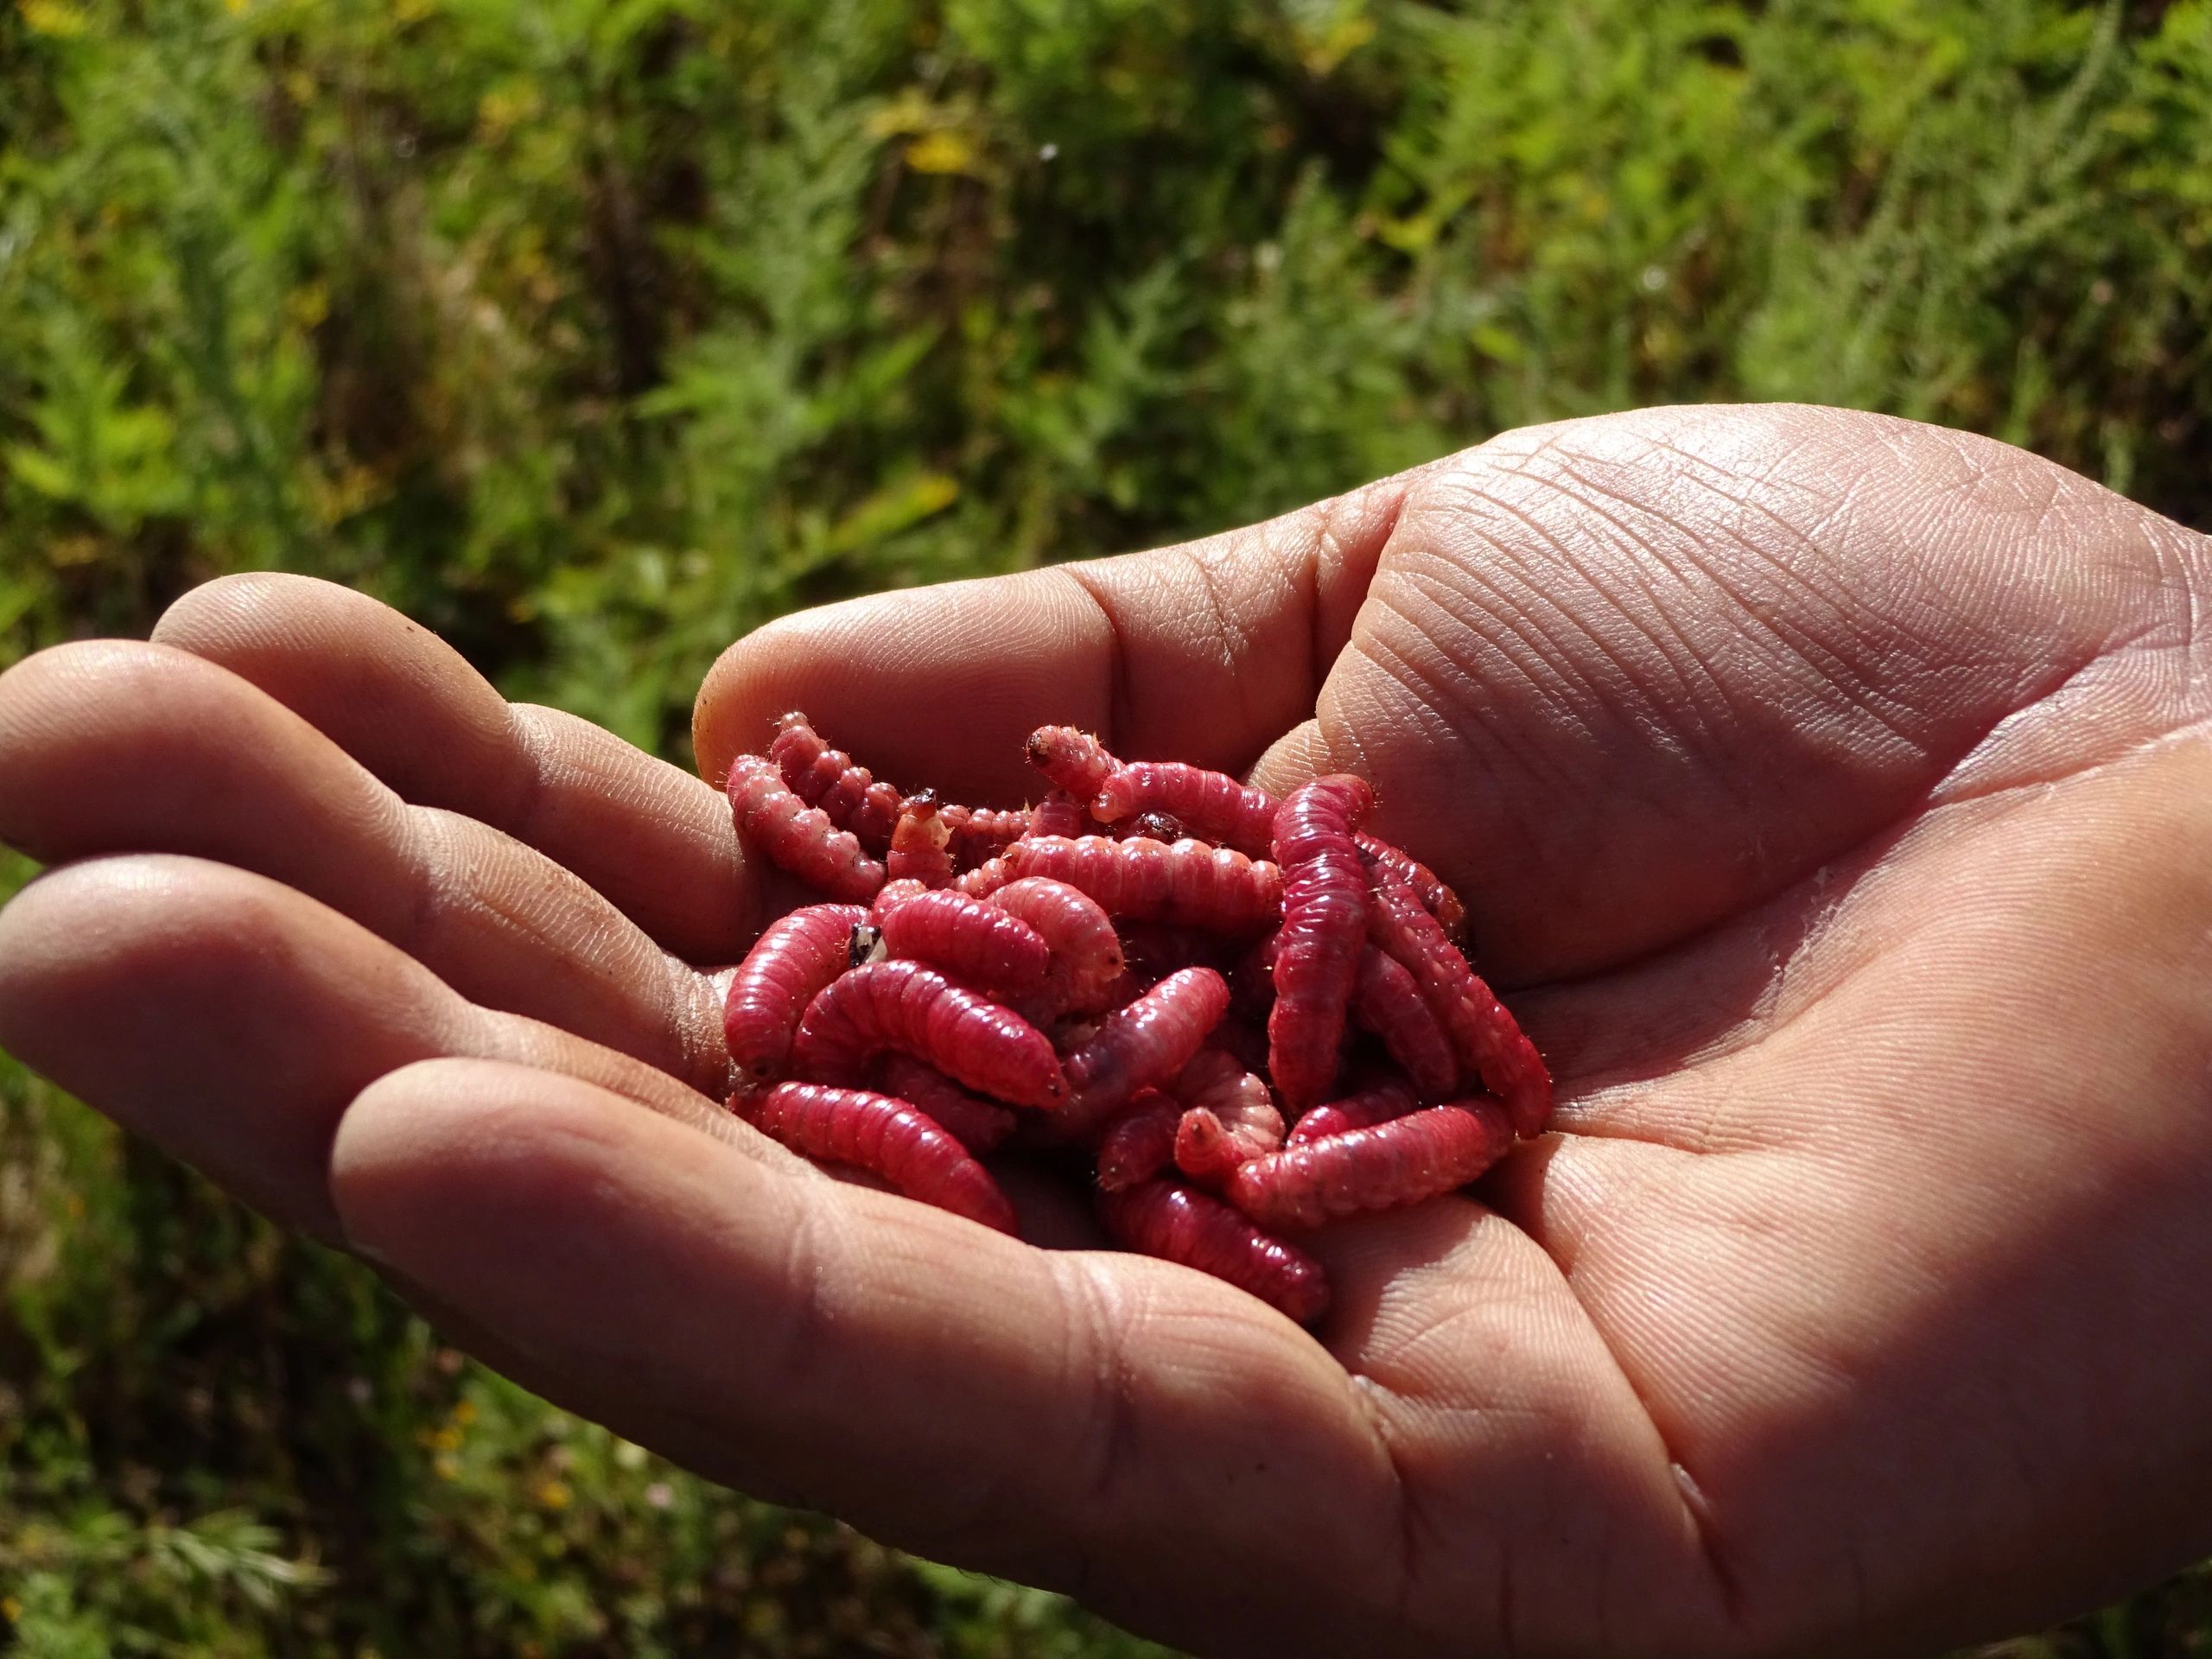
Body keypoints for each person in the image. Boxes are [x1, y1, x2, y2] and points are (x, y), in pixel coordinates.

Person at [1, 402, 2208, 1657]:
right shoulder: (1067, 961)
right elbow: (1098, 966)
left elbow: (1243, 957)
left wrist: (2139, 731)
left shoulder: (1244, 975)